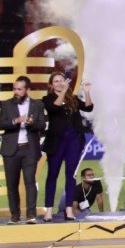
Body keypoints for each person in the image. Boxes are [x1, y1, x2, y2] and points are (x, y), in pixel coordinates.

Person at [41, 73, 93, 221]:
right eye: (56, 81)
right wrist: (63, 91)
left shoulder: (73, 99)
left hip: (74, 141)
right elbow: (54, 109)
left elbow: (89, 107)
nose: (59, 84)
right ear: (51, 85)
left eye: (61, 81)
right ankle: (49, 210)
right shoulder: (48, 99)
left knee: (71, 176)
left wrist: (87, 92)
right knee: (52, 175)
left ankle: (69, 210)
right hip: (56, 142)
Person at [0, 76, 46, 224]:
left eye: (19, 89)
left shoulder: (37, 105)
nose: (16, 91)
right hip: (11, 150)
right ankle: (15, 215)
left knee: (30, 183)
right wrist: (16, 121)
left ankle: (31, 215)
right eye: (14, 88)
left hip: (30, 150)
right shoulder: (6, 104)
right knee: (12, 184)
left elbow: (42, 125)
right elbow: (1, 124)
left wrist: (31, 123)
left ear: (27, 89)